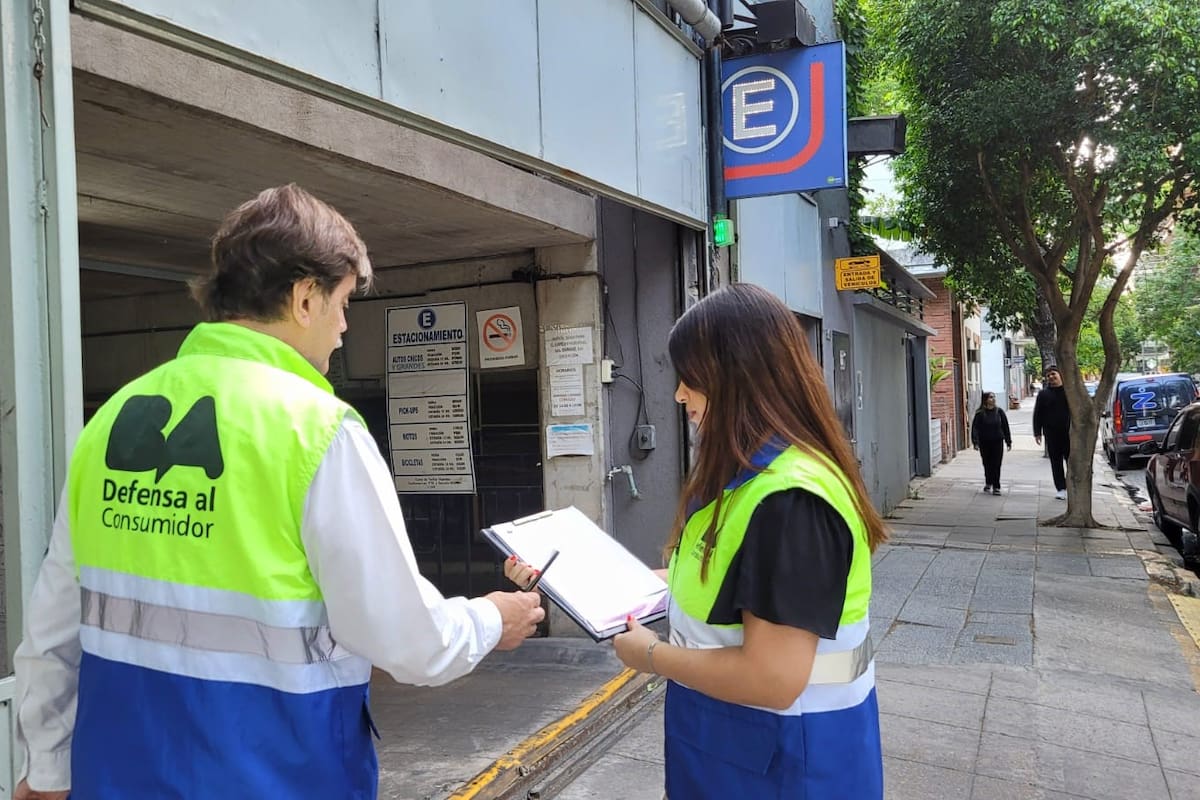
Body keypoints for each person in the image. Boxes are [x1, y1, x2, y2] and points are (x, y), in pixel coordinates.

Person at [12, 185, 544, 800]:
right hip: (276, 779)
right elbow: (409, 641)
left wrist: (47, 769)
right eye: (343, 304)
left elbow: (52, 629)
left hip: (117, 777)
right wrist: (489, 619)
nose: (345, 328)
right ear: (304, 297)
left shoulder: (110, 420)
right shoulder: (318, 431)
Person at [510, 284, 887, 797]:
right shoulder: (750, 480)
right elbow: (708, 584)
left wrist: (651, 656)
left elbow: (773, 678)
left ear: (739, 375)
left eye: (691, 377)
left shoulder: (791, 500)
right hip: (739, 750)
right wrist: (573, 577)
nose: (678, 394)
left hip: (790, 764)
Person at [1033, 366, 1071, 500]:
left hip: (1069, 433)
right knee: (1056, 462)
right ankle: (1061, 488)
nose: (1051, 377)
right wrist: (1037, 432)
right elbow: (1037, 414)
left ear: (1060, 375)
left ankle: (1071, 487)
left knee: (1071, 460)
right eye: (1048, 375)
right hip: (1051, 433)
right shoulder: (1043, 394)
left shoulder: (1069, 391)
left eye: (1053, 374)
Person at [971, 392, 1012, 495]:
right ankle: (988, 482)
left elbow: (1005, 427)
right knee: (987, 463)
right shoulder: (980, 413)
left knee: (996, 464)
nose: (993, 399)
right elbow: (975, 428)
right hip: (984, 442)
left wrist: (1008, 441)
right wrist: (975, 442)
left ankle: (996, 486)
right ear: (985, 399)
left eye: (993, 397)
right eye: (990, 397)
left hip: (997, 442)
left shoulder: (999, 412)